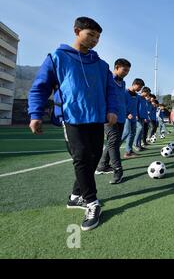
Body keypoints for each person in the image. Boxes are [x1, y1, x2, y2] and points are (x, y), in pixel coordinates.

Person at [28, 17, 118, 231]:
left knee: (94, 157)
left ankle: (75, 196)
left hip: (96, 118)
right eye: (91, 35)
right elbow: (41, 87)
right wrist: (35, 114)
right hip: (72, 118)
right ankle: (91, 202)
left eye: (98, 37)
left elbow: (111, 90)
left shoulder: (101, 64)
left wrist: (112, 110)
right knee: (81, 157)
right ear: (77, 31)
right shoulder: (57, 57)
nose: (95, 40)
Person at [95, 58, 131, 185]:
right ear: (116, 67)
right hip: (109, 117)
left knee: (113, 142)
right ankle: (118, 171)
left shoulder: (123, 83)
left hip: (121, 117)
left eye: (128, 71)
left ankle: (102, 166)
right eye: (124, 70)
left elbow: (121, 100)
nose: (126, 72)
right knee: (114, 143)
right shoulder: (107, 78)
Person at [121, 78, 145, 159]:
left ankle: (128, 152)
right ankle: (112, 150)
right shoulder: (124, 92)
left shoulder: (137, 96)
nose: (140, 89)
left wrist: (137, 115)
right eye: (139, 87)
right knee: (126, 132)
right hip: (126, 117)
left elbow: (138, 107)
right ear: (134, 84)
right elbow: (121, 104)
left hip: (134, 118)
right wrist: (126, 114)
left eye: (141, 88)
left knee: (132, 133)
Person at [133, 87, 151, 152]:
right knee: (139, 128)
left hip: (143, 117)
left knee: (141, 131)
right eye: (147, 93)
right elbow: (135, 106)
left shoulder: (144, 99)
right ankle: (134, 144)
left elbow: (145, 109)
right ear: (143, 92)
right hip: (137, 116)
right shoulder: (137, 97)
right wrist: (136, 115)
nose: (148, 95)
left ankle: (139, 145)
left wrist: (146, 117)